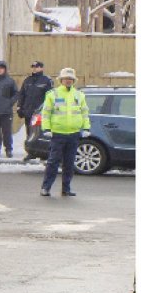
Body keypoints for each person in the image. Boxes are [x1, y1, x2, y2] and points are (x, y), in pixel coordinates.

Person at [39, 67, 90, 197]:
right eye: (66, 78)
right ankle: (46, 188)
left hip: (73, 134)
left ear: (74, 81)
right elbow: (45, 113)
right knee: (53, 163)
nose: (68, 81)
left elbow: (84, 113)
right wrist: (47, 129)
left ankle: (66, 189)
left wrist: (86, 128)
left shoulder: (79, 95)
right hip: (57, 134)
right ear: (61, 80)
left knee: (69, 163)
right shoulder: (53, 94)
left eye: (70, 79)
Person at [17, 60, 53, 160]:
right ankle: (31, 152)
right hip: (28, 112)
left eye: (36, 67)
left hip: (40, 113)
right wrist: (20, 107)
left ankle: (43, 152)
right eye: (33, 67)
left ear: (41, 68)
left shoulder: (46, 80)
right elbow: (22, 95)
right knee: (30, 133)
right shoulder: (27, 80)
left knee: (40, 134)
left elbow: (49, 96)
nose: (34, 68)